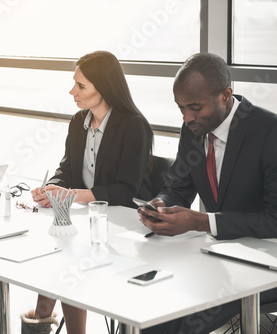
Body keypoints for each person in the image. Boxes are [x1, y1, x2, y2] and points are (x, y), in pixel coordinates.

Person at [138, 52, 277, 333]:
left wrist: (201, 221)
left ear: (226, 95)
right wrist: (160, 205)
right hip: (216, 255)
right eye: (180, 108)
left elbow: (274, 219)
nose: (187, 117)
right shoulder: (194, 128)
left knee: (179, 321)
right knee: (143, 306)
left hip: (265, 263)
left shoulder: (269, 131)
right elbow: (177, 186)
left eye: (195, 107)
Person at [23, 51, 154, 334]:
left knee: (64, 259)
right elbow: (67, 169)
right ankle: (42, 321)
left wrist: (72, 195)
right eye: (75, 83)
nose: (72, 91)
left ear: (104, 87)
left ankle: (42, 322)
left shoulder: (134, 126)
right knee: (58, 255)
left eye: (81, 86)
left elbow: (125, 190)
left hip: (118, 229)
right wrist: (52, 189)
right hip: (84, 222)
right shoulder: (78, 122)